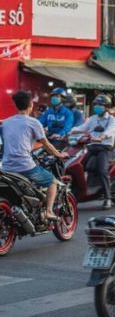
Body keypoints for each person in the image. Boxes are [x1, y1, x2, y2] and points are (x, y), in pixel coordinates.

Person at [2, 91, 69, 220]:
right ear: (31, 105)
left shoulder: (6, 122)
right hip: (25, 167)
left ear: (16, 105)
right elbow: (47, 145)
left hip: (6, 167)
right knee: (52, 182)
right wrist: (59, 154)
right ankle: (49, 211)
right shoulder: (34, 122)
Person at [69, 94, 115, 209]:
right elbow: (82, 128)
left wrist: (101, 137)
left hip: (104, 147)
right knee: (77, 166)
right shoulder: (92, 118)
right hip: (91, 147)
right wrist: (70, 132)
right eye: (96, 104)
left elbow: (110, 131)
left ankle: (107, 198)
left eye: (100, 105)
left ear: (106, 107)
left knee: (102, 170)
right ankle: (77, 193)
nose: (97, 107)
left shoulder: (111, 119)